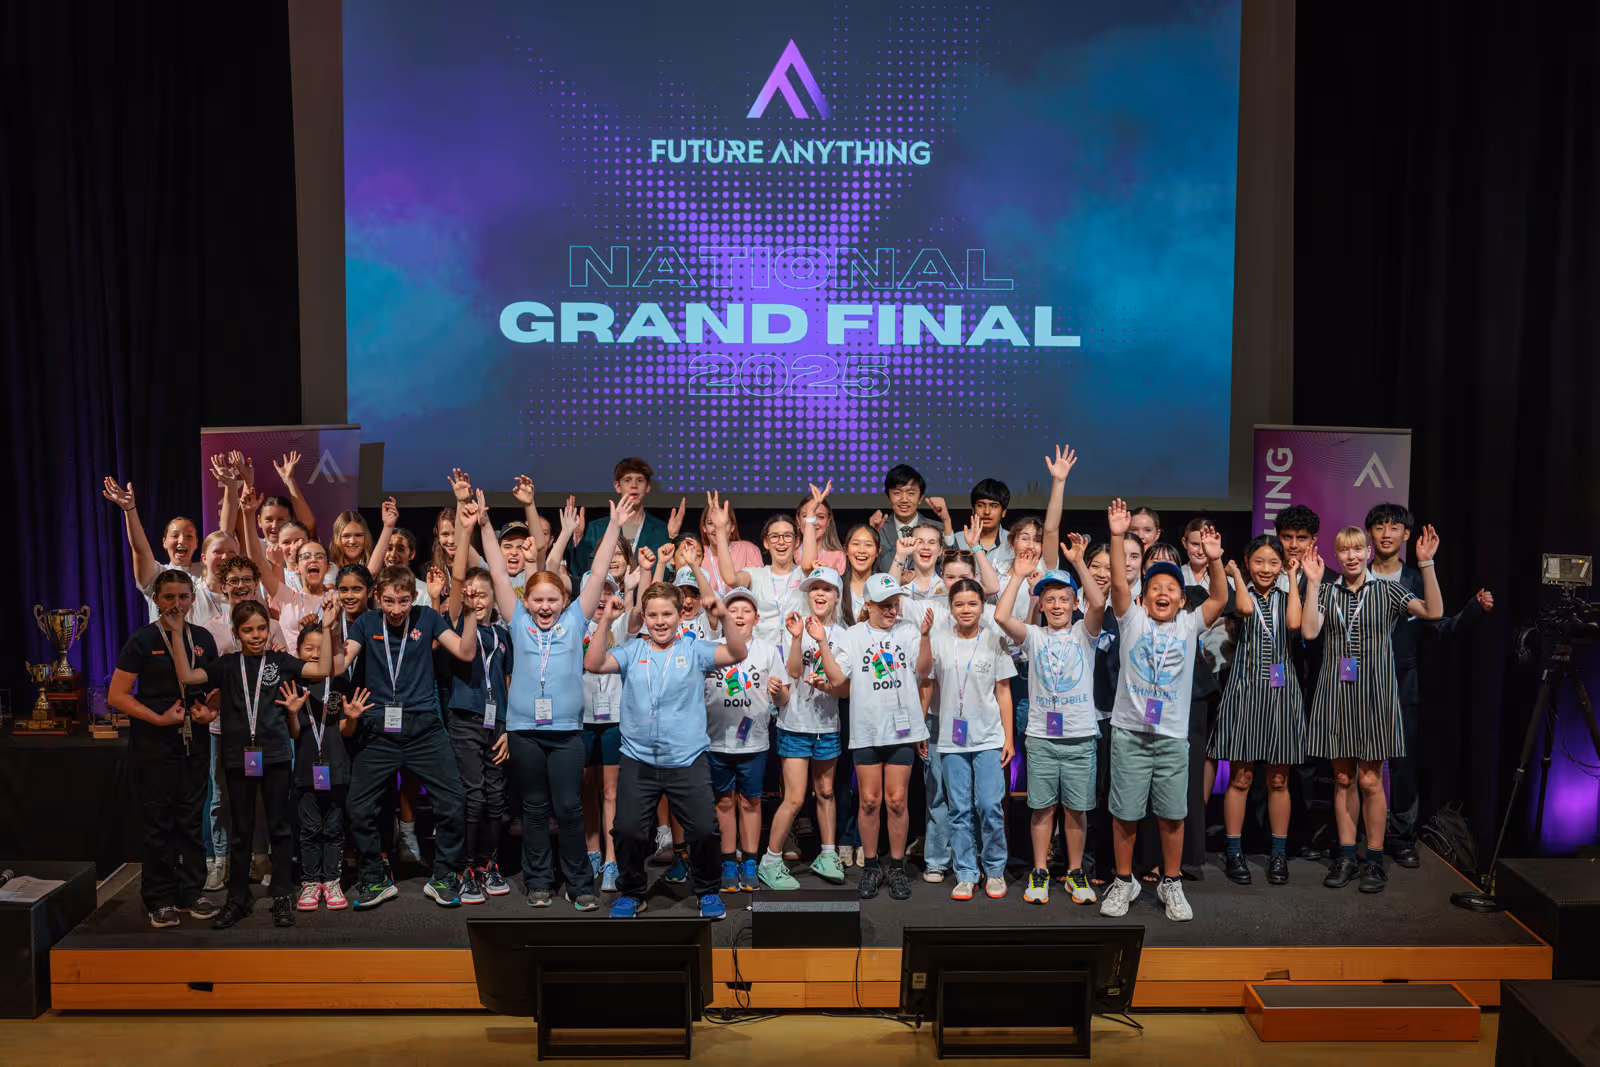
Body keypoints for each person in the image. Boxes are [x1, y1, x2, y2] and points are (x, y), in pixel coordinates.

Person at [494, 496, 636, 910]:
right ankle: (538, 882)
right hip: (524, 732)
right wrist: (484, 524)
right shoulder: (518, 621)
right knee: (535, 810)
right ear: (526, 603)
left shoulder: (576, 621)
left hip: (568, 733)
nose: (544, 606)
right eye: (537, 600)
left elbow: (595, 578)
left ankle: (579, 884)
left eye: (552, 600)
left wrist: (614, 527)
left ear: (564, 603)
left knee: (570, 809)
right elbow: (501, 576)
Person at [584, 580, 747, 920]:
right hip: (638, 759)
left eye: (667, 614)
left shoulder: (694, 650)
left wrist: (725, 617)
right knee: (627, 830)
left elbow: (737, 652)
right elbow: (594, 663)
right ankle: (632, 892)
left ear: (679, 616)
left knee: (703, 830)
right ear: (643, 616)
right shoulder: (632, 651)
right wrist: (605, 621)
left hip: (686, 759)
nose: (660, 622)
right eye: (653, 615)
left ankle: (706, 891)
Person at [172, 597, 337, 929]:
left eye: (262, 628)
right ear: (236, 633)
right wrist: (177, 632)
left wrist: (330, 626)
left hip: (275, 754)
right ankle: (237, 899)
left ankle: (281, 896)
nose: (257, 635)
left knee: (279, 826)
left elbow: (320, 669)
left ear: (270, 628)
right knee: (241, 830)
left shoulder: (281, 661)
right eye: (248, 630)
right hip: (238, 757)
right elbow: (188, 676)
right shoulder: (226, 665)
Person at [1100, 499, 1229, 922]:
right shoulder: (1131, 619)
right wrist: (1118, 537)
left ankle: (1170, 883)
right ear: (1145, 594)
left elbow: (1220, 597)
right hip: (1130, 734)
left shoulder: (1189, 624)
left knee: (1173, 815)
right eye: (1155, 587)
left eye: (1171, 588)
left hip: (1172, 737)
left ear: (1181, 598)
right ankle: (1124, 880)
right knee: (1125, 814)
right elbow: (1119, 583)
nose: (1163, 593)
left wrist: (1215, 561)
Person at [1302, 524, 1443, 894]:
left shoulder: (1388, 590)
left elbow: (1433, 611)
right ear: (1336, 556)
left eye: (1357, 549)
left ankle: (1375, 861)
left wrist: (1426, 565)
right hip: (1335, 693)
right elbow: (1310, 633)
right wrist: (1313, 582)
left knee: (1369, 779)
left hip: (1376, 695)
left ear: (1367, 553)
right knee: (1343, 779)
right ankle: (1348, 857)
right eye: (1343, 550)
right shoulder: (1327, 592)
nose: (1350, 556)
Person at [335, 561, 478, 909]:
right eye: (388, 601)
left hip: (424, 729)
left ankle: (444, 875)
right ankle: (374, 877)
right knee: (357, 805)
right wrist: (328, 629)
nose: (396, 609)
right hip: (378, 729)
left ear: (413, 597)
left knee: (453, 799)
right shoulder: (366, 623)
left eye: (402, 601)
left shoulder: (427, 618)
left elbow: (464, 651)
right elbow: (339, 665)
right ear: (377, 598)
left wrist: (471, 613)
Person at [1365, 503, 1493, 868]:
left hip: (1403, 684)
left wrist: (1473, 610)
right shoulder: (1355, 575)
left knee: (1403, 765)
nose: (1386, 533)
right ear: (1369, 534)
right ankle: (1356, 839)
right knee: (1357, 764)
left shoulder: (1418, 580)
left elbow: (1442, 626)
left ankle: (1401, 837)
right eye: (1379, 526)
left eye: (1394, 528)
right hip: (1355, 684)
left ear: (1407, 535)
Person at [107, 570, 223, 928]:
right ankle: (159, 897)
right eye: (169, 597)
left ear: (192, 599)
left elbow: (215, 686)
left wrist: (210, 711)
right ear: (156, 599)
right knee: (158, 823)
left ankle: (191, 892)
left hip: (194, 741)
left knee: (190, 820)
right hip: (154, 743)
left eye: (183, 597)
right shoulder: (142, 640)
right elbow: (117, 695)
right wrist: (156, 719)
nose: (176, 604)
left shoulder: (202, 637)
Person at [993, 536, 1104, 906]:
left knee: (1076, 810)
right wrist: (1018, 575)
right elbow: (1001, 617)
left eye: (1064, 599)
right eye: (1049, 599)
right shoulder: (1035, 637)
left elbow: (1100, 602)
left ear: (1075, 604)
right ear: (1040, 604)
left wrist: (1079, 564)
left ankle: (1074, 872)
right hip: (1041, 736)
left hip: (1080, 737)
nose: (1057, 605)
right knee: (1041, 809)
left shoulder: (1084, 634)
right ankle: (1039, 871)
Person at [814, 574, 935, 901]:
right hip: (867, 729)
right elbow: (837, 677)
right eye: (884, 605)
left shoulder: (909, 631)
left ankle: (896, 866)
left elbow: (924, 670)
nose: (892, 610)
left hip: (902, 729)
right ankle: (870, 866)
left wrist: (924, 636)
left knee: (897, 800)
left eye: (895, 604)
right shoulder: (853, 635)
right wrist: (823, 643)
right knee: (869, 800)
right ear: (867, 605)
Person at [1210, 536, 1305, 886]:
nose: (1266, 569)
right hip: (1245, 693)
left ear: (1282, 565)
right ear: (1248, 562)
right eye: (1259, 562)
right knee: (1241, 777)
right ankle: (1234, 852)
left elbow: (1295, 623)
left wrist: (1294, 578)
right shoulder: (1241, 594)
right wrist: (1236, 575)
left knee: (1279, 779)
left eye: (1273, 563)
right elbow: (1245, 610)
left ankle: (1278, 854)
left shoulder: (1286, 596)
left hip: (1282, 696)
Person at [925, 577, 1017, 901]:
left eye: (972, 604)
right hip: (951, 739)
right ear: (950, 608)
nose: (966, 609)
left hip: (989, 736)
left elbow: (1004, 691)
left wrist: (1009, 738)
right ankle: (966, 872)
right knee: (958, 808)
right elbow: (927, 683)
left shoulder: (995, 639)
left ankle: (994, 869)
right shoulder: (938, 640)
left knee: (990, 805)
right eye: (959, 604)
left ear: (982, 607)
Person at [443, 493, 515, 903]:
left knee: (495, 797)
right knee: (472, 796)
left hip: (496, 725)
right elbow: (457, 582)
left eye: (482, 592)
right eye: (469, 592)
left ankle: (489, 865)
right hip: (466, 721)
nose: (476, 597)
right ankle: (466, 867)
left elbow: (506, 684)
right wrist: (464, 521)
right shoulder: (457, 626)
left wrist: (508, 728)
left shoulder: (503, 635)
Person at [761, 568, 849, 888]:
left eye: (827, 588)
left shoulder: (844, 635)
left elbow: (841, 686)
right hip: (795, 724)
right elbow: (794, 672)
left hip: (827, 725)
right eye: (814, 589)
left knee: (825, 792)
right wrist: (798, 638)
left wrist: (822, 642)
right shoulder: (791, 628)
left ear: (837, 595)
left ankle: (828, 854)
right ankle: (770, 861)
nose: (820, 594)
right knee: (795, 798)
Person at [704, 588, 790, 892]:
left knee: (751, 802)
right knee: (724, 802)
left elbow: (783, 697)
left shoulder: (767, 650)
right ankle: (729, 861)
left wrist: (778, 691)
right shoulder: (710, 649)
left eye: (745, 611)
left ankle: (750, 861)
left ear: (756, 617)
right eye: (733, 610)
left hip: (753, 742)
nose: (739, 616)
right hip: (716, 741)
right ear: (723, 616)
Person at [284, 628, 367, 913]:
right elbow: (294, 734)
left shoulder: (339, 682)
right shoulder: (293, 685)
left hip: (337, 768)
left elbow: (344, 730)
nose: (316, 654)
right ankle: (310, 882)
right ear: (298, 652)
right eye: (309, 648)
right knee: (308, 829)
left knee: (333, 828)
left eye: (321, 648)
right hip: (307, 770)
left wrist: (353, 719)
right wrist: (293, 714)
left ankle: (331, 880)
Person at [708, 493, 803, 646]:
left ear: (796, 542)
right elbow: (731, 579)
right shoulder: (756, 574)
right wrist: (720, 530)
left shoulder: (804, 574)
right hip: (762, 656)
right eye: (774, 536)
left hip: (797, 654)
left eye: (787, 536)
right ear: (766, 543)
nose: (781, 542)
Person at [570, 457, 674, 576]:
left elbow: (666, 573)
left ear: (648, 486)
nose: (634, 485)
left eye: (640, 480)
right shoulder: (596, 528)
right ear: (617, 486)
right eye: (627, 480)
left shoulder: (661, 531)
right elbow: (582, 573)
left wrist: (673, 537)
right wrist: (578, 540)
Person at [872, 464, 947, 571]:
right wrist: (872, 533)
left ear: (920, 498)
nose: (904, 499)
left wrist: (947, 522)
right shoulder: (878, 530)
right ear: (888, 497)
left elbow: (952, 564)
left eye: (911, 493)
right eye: (897, 493)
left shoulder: (938, 529)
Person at [796, 481, 846, 574]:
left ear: (828, 521)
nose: (814, 522)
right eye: (807, 516)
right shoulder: (789, 551)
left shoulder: (838, 556)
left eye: (821, 517)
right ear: (798, 519)